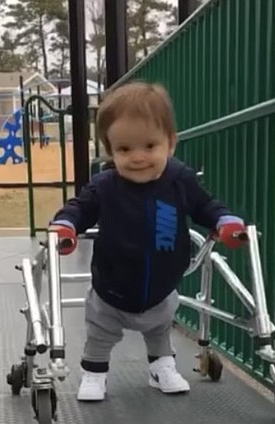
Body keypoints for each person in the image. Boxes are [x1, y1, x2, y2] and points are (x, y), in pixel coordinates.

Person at [49, 81, 246, 402]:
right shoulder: (104, 186)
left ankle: (161, 367)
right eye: (125, 149)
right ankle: (95, 374)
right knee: (100, 334)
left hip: (161, 286)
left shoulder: (179, 180)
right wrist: (65, 225)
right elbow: (79, 208)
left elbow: (206, 206)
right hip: (110, 288)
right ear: (111, 151)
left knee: (159, 330)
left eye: (149, 146)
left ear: (170, 143)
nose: (138, 157)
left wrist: (224, 221)